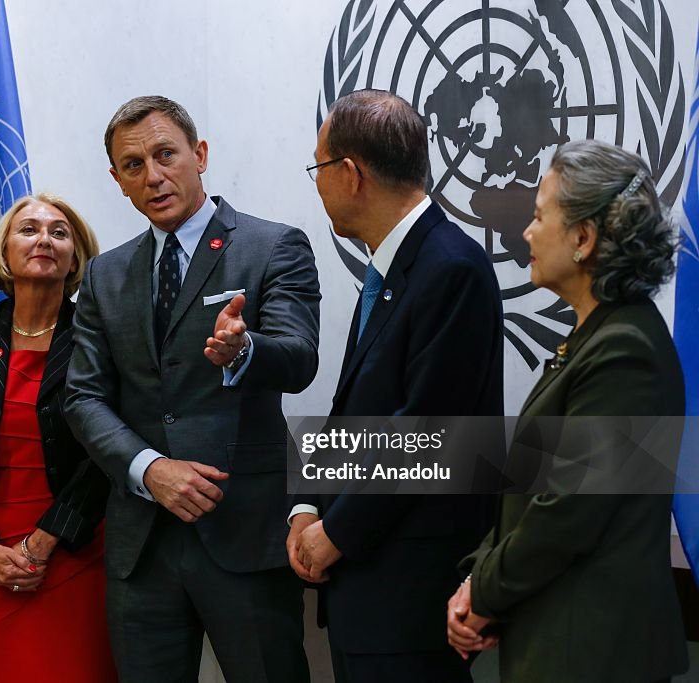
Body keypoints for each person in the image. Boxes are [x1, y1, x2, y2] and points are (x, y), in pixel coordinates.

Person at [64, 95, 320, 683]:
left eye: (165, 155)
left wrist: (245, 349)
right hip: (142, 548)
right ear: (118, 180)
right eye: (133, 166)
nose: (153, 176)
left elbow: (299, 357)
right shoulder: (105, 274)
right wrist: (149, 469)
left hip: (243, 533)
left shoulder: (271, 246)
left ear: (199, 155)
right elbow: (83, 397)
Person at [446, 140, 689, 683]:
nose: (527, 233)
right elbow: (530, 489)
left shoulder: (626, 351)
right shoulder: (595, 336)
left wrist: (483, 592)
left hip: (597, 654)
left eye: (538, 216)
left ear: (583, 238)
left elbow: (567, 512)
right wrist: (476, 581)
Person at [288, 90, 503, 683]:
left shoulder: (448, 267)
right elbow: (358, 413)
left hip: (407, 594)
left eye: (318, 167)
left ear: (350, 174)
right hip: (366, 591)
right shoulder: (394, 268)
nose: (317, 183)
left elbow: (429, 433)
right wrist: (307, 505)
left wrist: (338, 531)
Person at [0, 193, 115, 682]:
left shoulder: (100, 339)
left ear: (75, 257)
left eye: (59, 232)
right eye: (29, 229)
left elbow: (106, 450)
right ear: (4, 252)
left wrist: (45, 541)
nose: (44, 239)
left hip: (72, 553)